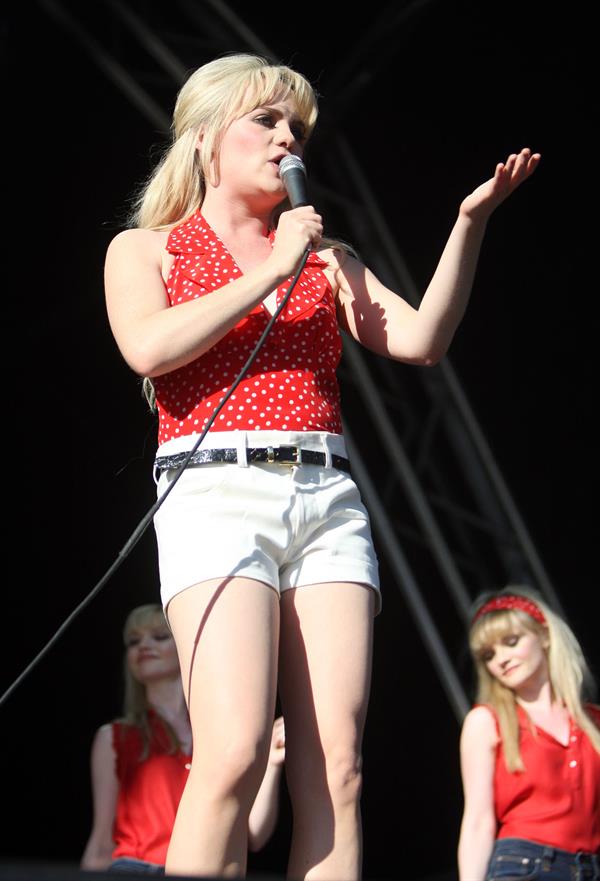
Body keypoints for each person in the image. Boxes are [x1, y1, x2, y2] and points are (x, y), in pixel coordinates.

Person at [103, 51, 540, 879]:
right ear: (204, 136)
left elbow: (421, 341)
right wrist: (270, 268)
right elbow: (149, 348)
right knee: (230, 753)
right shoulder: (146, 249)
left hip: (325, 496)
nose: (286, 139)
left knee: (336, 769)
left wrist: (469, 223)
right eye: (265, 121)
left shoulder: (327, 258)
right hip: (214, 494)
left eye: (295, 127)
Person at [80, 603, 285, 874]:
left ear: (185, 648)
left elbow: (252, 834)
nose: (144, 646)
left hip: (204, 869)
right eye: (134, 641)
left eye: (160, 636)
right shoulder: (114, 738)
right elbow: (102, 841)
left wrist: (271, 763)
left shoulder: (219, 734)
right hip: (135, 868)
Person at [457, 586, 600, 881]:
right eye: (488, 654)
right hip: (524, 865)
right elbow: (477, 821)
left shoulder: (594, 721)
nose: (501, 659)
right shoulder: (487, 721)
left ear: (544, 636)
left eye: (511, 642)